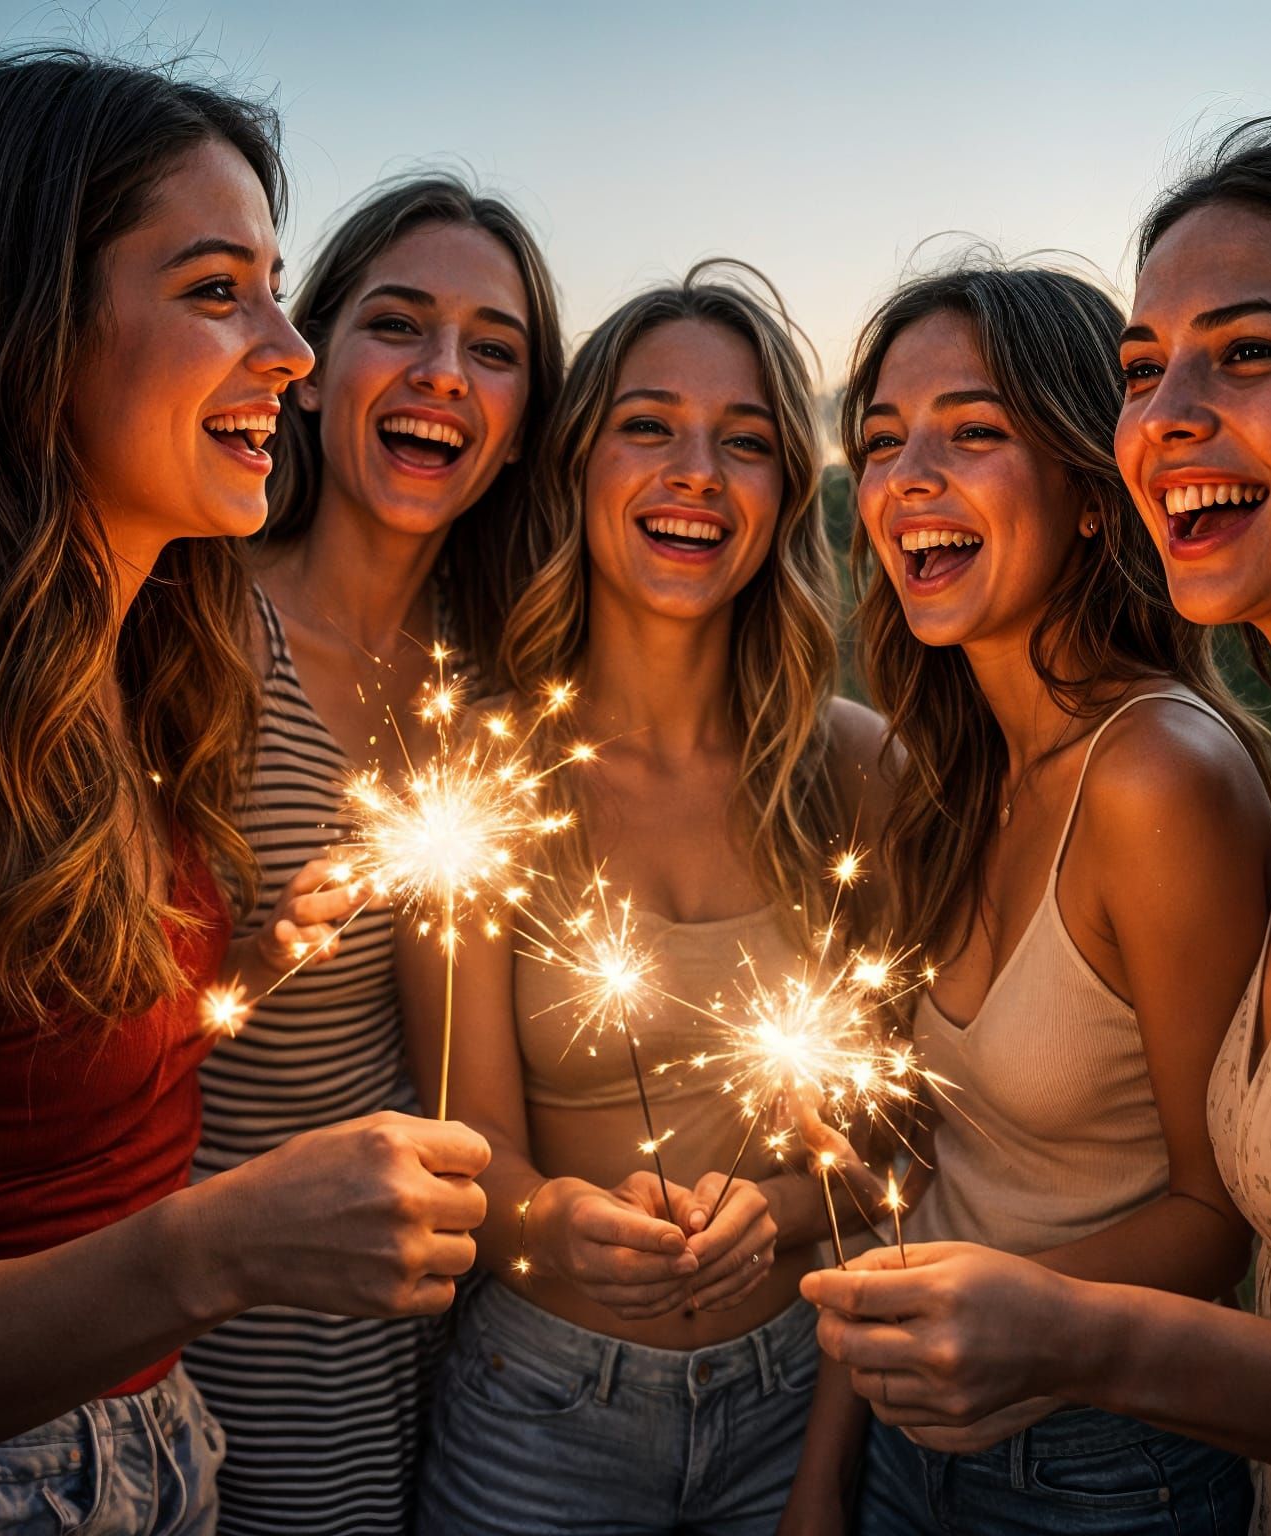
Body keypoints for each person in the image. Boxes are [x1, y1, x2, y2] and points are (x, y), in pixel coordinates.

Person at [804, 116, 1271, 1534]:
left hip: (1107, 1477)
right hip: (951, 1446)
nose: (1169, 413)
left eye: (1251, 352)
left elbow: (1212, 1216)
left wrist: (1067, 1333)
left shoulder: (1207, 776)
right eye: (1144, 370)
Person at [0, 52, 486, 1536]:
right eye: (217, 290)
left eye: (277, 292)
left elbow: (41, 1067)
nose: (293, 352)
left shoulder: (134, 671)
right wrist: (222, 1246)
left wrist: (243, 959)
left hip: (163, 1447)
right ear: (27, 328)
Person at [786, 261, 1271, 1535]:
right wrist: (823, 1475)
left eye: (973, 433)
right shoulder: (942, 780)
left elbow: (1219, 1221)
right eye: (881, 442)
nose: (907, 480)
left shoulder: (1159, 777)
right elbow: (918, 1177)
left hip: (1107, 1468)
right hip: (905, 1444)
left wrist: (1002, 1313)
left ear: (1092, 495)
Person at [415, 263, 890, 1535]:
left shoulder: (853, 772)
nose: (697, 474)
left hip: (796, 1399)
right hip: (540, 1414)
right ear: (577, 466)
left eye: (746, 441)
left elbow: (908, 1152)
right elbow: (470, 1145)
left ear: (787, 490)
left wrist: (779, 1213)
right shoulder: (483, 772)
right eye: (648, 427)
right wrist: (556, 1221)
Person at [184, 174, 561, 1536]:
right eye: (397, 325)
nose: (443, 373)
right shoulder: (188, 634)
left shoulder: (501, 691)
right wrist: (243, 965)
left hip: (422, 1346)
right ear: (308, 368)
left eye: (493, 348)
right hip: (199, 1327)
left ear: (520, 435)